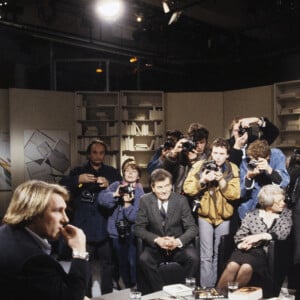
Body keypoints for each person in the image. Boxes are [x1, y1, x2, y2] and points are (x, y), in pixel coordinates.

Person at [0, 180, 91, 300]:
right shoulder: (34, 260)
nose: (66, 219)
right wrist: (79, 252)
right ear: (34, 212)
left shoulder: (6, 232)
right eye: (58, 211)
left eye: (65, 211)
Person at [59, 139, 122, 295]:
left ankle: (107, 294)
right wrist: (78, 180)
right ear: (89, 154)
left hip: (105, 224)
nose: (98, 156)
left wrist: (110, 184)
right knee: (83, 262)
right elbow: (61, 186)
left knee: (108, 264)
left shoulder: (111, 172)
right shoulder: (78, 171)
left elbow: (123, 187)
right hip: (83, 224)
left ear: (105, 155)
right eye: (94, 152)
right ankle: (84, 295)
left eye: (101, 153)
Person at [183, 137, 240, 288]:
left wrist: (221, 180)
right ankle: (206, 288)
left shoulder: (232, 168)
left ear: (227, 155)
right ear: (211, 153)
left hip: (224, 217)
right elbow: (187, 188)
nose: (218, 157)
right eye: (215, 153)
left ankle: (217, 288)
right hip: (205, 216)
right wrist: (202, 180)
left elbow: (235, 194)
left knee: (219, 255)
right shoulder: (200, 165)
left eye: (222, 153)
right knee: (206, 255)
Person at [216, 185, 292, 298]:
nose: (283, 203)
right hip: (245, 251)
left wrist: (261, 236)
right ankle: (217, 295)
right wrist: (242, 244)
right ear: (269, 203)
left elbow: (283, 233)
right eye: (279, 201)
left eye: (283, 200)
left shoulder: (285, 214)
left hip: (265, 252)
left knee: (246, 267)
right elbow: (239, 235)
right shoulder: (252, 215)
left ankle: (233, 297)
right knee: (232, 265)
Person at [135, 168, 199, 295]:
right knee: (144, 259)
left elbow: (192, 228)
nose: (164, 191)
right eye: (159, 187)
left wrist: (178, 241)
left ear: (172, 186)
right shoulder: (145, 200)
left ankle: (182, 291)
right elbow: (138, 228)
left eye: (167, 186)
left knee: (193, 258)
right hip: (156, 247)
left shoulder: (181, 200)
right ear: (153, 188)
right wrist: (157, 240)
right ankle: (160, 292)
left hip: (177, 246)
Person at [98, 159, 144, 288]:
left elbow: (135, 217)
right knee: (120, 261)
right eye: (127, 171)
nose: (130, 174)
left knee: (132, 261)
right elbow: (101, 200)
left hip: (133, 232)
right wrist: (115, 194)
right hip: (116, 231)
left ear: (138, 175)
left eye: (133, 171)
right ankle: (124, 285)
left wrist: (127, 204)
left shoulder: (141, 193)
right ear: (123, 173)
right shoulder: (116, 185)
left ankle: (133, 285)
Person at [238, 139, 290, 220]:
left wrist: (269, 170)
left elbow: (284, 182)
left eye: (257, 160)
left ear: (268, 157)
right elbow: (241, 193)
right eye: (251, 159)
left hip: (273, 207)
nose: (253, 162)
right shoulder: (246, 162)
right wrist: (249, 177)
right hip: (250, 208)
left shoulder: (276, 155)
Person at [163, 124, 210, 194]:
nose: (199, 146)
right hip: (178, 196)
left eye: (202, 142)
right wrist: (173, 154)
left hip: (196, 198)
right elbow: (165, 175)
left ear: (206, 142)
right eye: (196, 142)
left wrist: (195, 163)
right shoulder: (181, 153)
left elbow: (203, 181)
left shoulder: (209, 157)